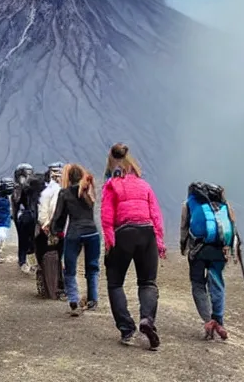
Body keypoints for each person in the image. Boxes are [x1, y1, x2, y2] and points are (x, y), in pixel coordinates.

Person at [101, 143, 166, 349]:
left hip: (124, 233)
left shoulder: (112, 185)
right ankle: (147, 320)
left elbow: (106, 217)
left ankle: (127, 329)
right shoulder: (145, 185)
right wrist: (159, 241)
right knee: (147, 282)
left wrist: (110, 241)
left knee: (115, 282)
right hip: (147, 233)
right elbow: (156, 214)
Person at [180, 182, 238, 340]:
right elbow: (233, 228)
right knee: (217, 282)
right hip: (220, 250)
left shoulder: (189, 204)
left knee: (198, 284)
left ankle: (208, 320)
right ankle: (218, 320)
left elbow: (184, 227)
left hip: (198, 251)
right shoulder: (224, 205)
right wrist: (233, 253)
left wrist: (183, 247)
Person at [51, 163, 100, 316]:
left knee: (70, 269)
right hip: (92, 233)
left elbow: (59, 217)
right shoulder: (88, 190)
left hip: (74, 233)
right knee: (92, 268)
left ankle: (73, 299)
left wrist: (54, 232)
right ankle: (93, 300)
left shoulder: (64, 193)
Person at [35, 162, 65, 299]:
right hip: (59, 230)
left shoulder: (45, 190)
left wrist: (45, 226)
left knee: (44, 256)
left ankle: (49, 286)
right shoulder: (64, 190)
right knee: (59, 256)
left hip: (45, 229)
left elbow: (42, 210)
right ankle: (58, 285)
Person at [12, 163, 38, 273]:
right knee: (24, 240)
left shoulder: (35, 186)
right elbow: (16, 201)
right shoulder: (18, 188)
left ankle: (31, 262)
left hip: (31, 216)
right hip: (22, 217)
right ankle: (23, 261)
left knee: (32, 241)